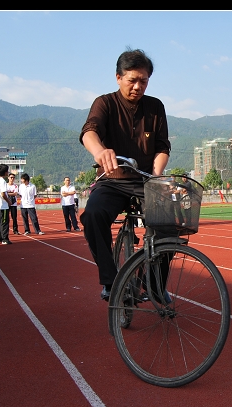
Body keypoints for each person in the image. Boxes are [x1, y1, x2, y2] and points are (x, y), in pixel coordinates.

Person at [79, 47, 170, 302]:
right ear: (118, 77)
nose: (138, 86)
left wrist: (155, 175)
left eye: (144, 81)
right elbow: (89, 131)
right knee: (93, 215)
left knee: (171, 222)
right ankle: (111, 281)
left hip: (144, 180)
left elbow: (162, 147)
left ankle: (153, 283)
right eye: (132, 80)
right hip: (113, 180)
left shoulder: (155, 107)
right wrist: (100, 151)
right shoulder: (105, 103)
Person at [0, 164, 13, 244]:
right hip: (3, 205)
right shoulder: (2, 181)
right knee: (4, 222)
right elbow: (3, 194)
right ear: (5, 172)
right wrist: (8, 201)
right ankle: (4, 238)